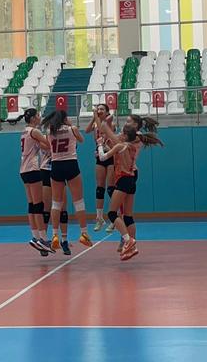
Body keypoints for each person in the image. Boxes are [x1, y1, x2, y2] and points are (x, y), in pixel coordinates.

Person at [97, 122, 163, 261]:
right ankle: (133, 247)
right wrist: (109, 146)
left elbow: (102, 157)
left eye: (122, 132)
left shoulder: (120, 146)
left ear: (126, 135)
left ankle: (128, 240)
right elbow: (118, 153)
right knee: (128, 216)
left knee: (112, 214)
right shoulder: (132, 147)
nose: (120, 134)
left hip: (123, 180)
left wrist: (100, 145)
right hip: (132, 180)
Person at [42, 109, 92, 251]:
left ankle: (55, 235)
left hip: (56, 165)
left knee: (56, 203)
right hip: (71, 164)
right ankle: (84, 233)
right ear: (65, 119)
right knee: (78, 201)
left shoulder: (50, 131)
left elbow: (48, 146)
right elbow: (81, 140)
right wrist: (70, 125)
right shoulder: (72, 129)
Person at [12, 107, 55, 256]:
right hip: (33, 168)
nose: (40, 117)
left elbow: (39, 146)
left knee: (31, 204)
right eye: (38, 115)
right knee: (38, 205)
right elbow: (49, 144)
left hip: (23, 170)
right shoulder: (35, 131)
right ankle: (43, 239)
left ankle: (35, 236)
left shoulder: (24, 132)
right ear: (32, 118)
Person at [85, 103, 116, 232]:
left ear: (107, 112)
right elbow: (86, 130)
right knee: (100, 188)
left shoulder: (110, 122)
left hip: (110, 156)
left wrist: (96, 117)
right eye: (98, 109)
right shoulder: (96, 124)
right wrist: (93, 117)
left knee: (111, 188)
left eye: (102, 109)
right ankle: (99, 218)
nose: (99, 111)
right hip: (99, 156)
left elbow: (103, 130)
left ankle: (114, 218)